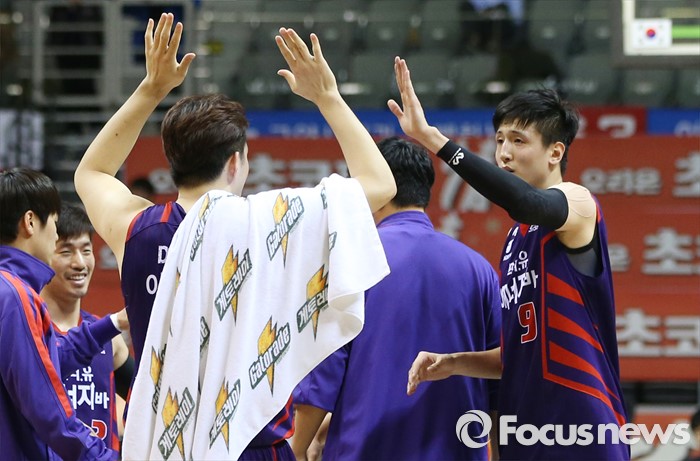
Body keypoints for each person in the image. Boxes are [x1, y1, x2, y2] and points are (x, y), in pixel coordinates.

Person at [75, 13, 395, 460]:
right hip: (254, 445)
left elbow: (91, 172)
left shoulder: (136, 229)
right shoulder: (272, 224)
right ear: (236, 162)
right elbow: (380, 183)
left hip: (165, 446)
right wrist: (328, 97)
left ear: (172, 162)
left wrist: (152, 88)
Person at [391, 57, 629, 460]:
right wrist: (452, 362)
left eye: (518, 141)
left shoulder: (578, 203)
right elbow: (517, 353)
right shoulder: (516, 239)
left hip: (580, 420)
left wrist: (434, 140)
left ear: (555, 152)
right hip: (526, 425)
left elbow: (526, 202)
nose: (503, 153)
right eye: (500, 140)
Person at [291, 136, 502, 461]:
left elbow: (322, 377)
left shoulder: (350, 261)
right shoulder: (479, 269)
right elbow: (500, 378)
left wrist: (295, 448)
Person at [0, 168, 128, 461]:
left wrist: (113, 323)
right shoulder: (15, 296)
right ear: (30, 222)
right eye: (55, 225)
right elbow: (48, 410)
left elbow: (47, 362)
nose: (56, 235)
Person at [41, 203, 135, 452]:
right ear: (43, 255)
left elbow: (148, 399)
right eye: (66, 252)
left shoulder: (110, 339)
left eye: (86, 250)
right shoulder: (27, 330)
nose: (80, 263)